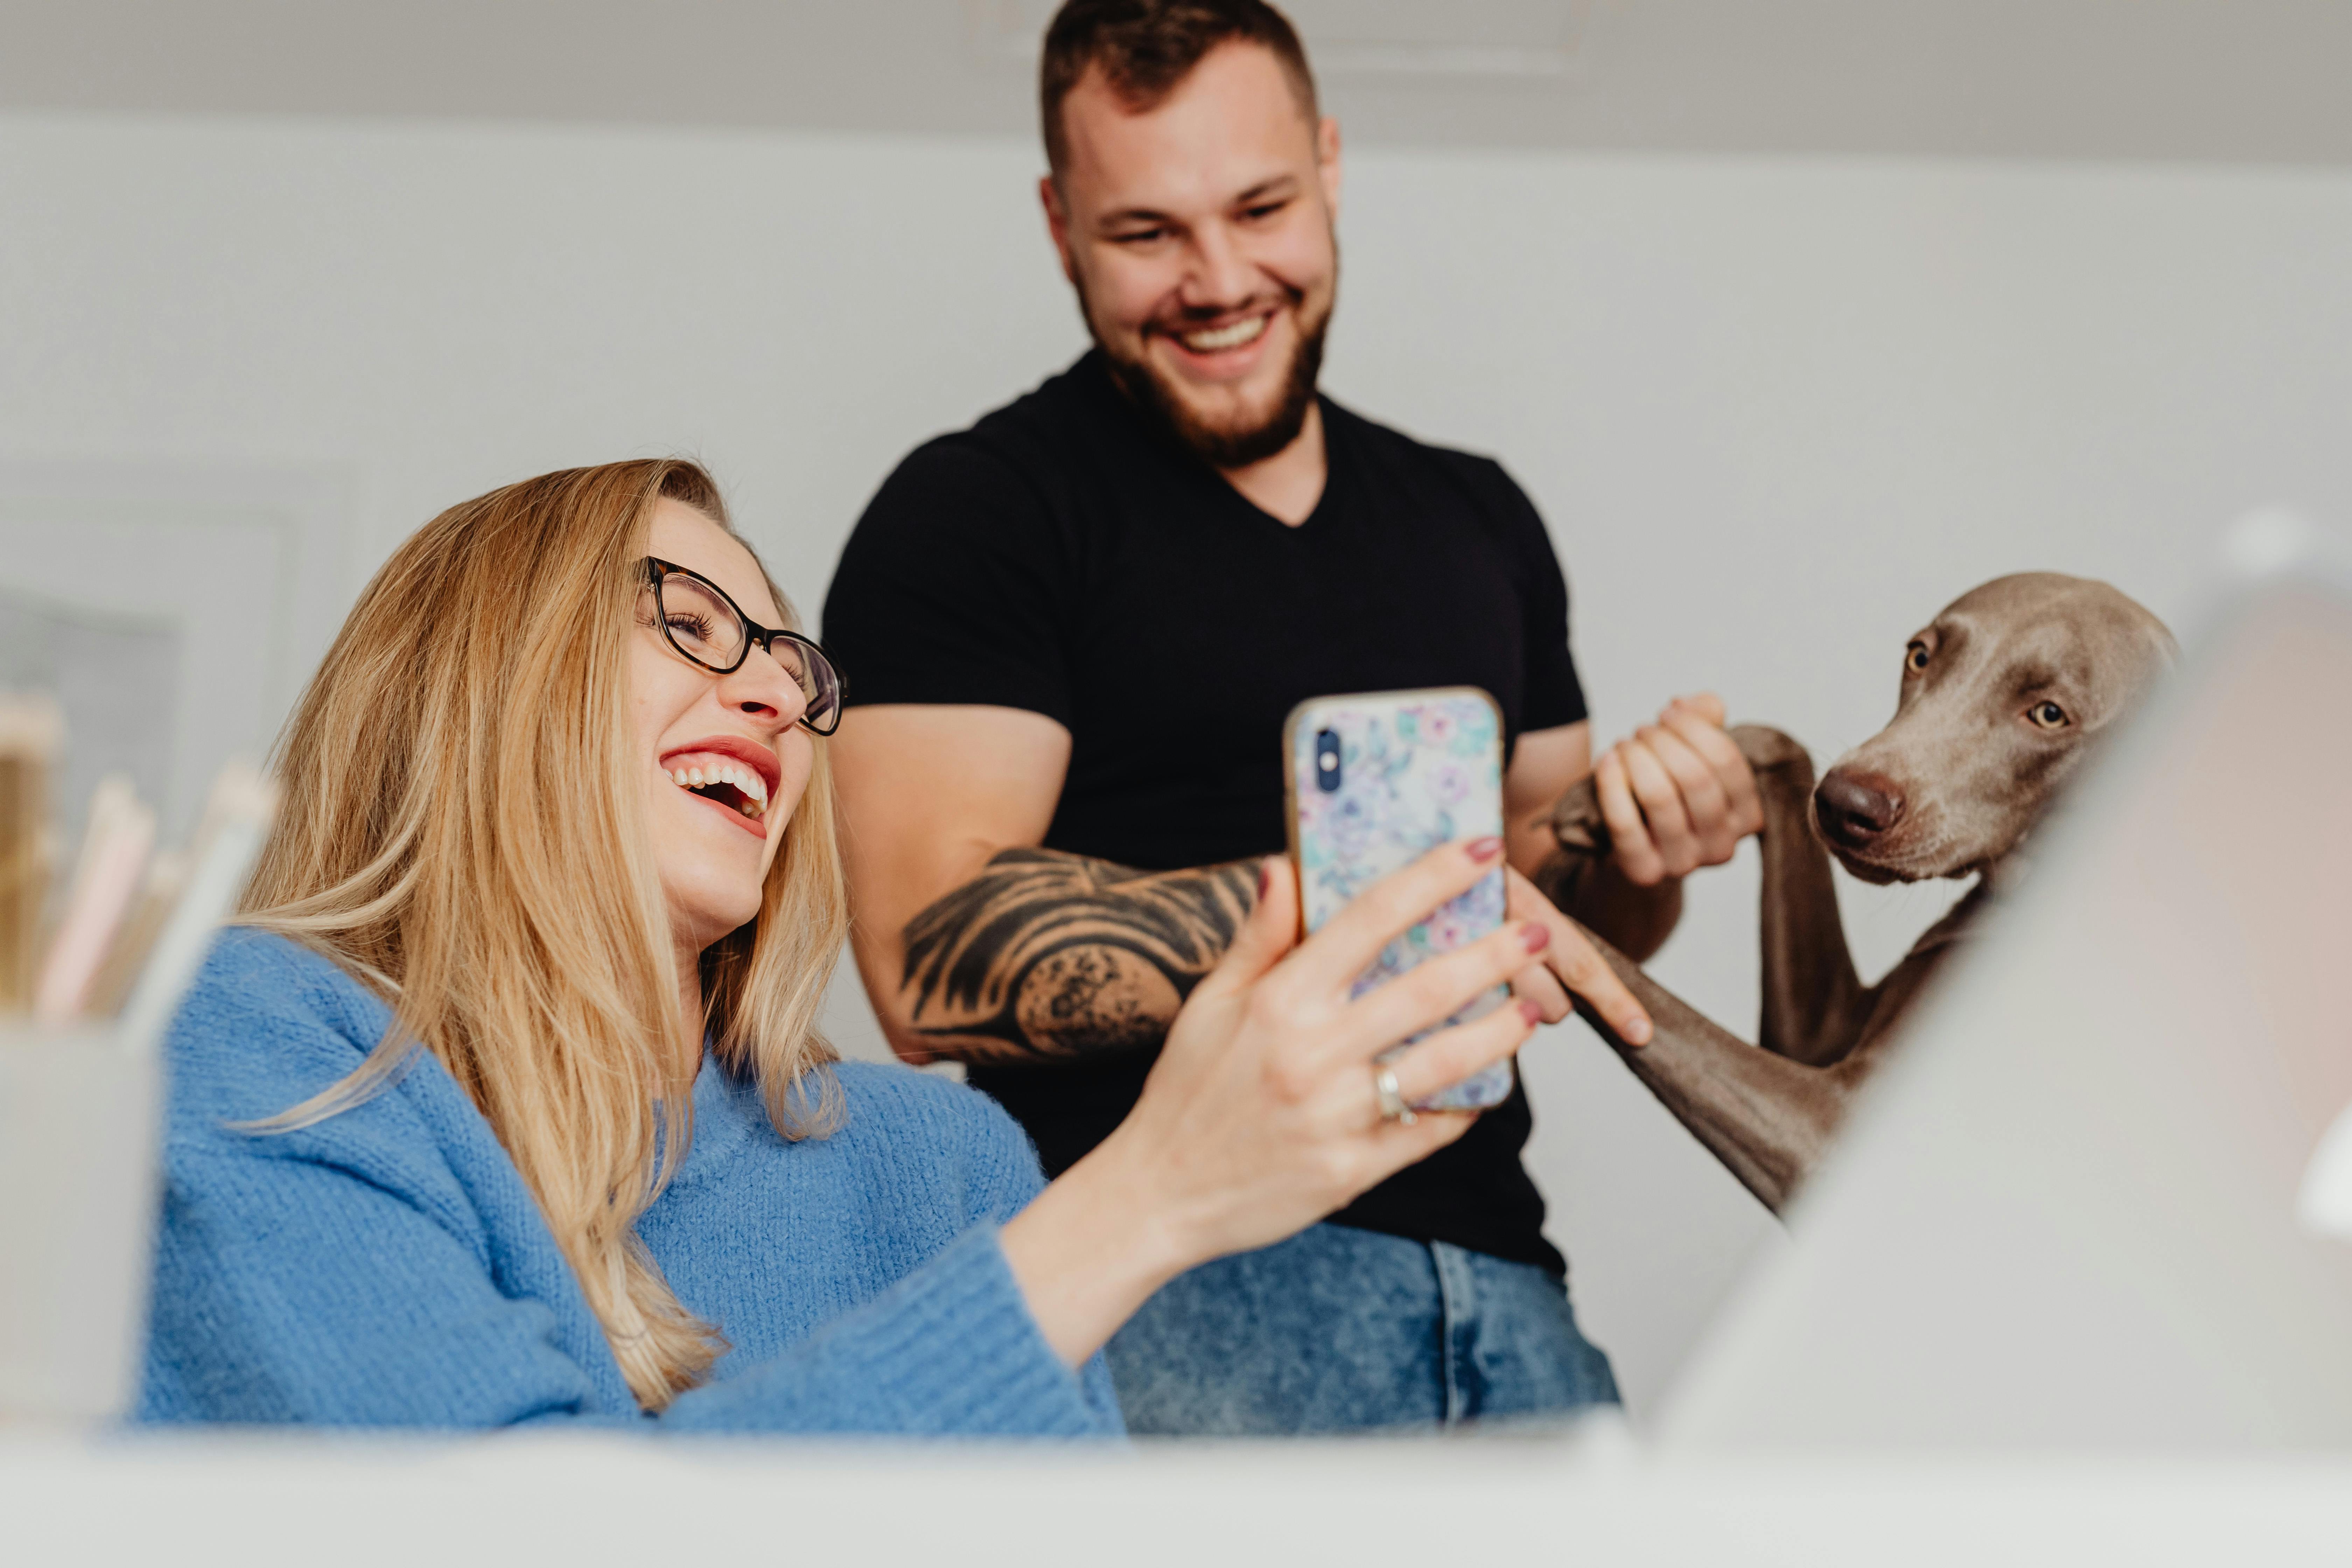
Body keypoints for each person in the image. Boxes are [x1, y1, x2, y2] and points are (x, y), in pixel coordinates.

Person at [138, 458, 1648, 1432]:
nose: (779, 701)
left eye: (794, 668)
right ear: (479, 674)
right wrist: (1148, 1200)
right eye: (689, 622)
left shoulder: (939, 1163)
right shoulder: (267, 1046)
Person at [822, 0, 1762, 1434]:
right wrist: (1371, 901)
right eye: (1145, 232)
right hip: (1185, 1292)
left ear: (1328, 164)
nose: (1217, 278)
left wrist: (1645, 842)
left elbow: (1562, 917)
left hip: (1509, 1285)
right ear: (1060, 222)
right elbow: (919, 957)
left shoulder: (1479, 517)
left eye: (1260, 205)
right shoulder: (978, 514)